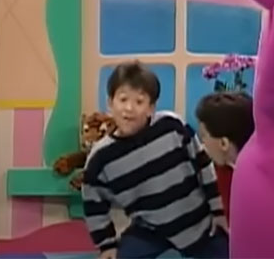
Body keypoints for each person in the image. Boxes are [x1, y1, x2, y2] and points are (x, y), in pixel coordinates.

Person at [81, 60, 228, 259]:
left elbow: (204, 166)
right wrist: (107, 245)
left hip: (198, 221)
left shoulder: (172, 126)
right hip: (149, 230)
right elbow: (93, 203)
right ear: (110, 103)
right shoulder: (101, 158)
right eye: (123, 99)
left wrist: (218, 212)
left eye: (139, 102)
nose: (129, 108)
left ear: (151, 107)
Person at [195, 91, 255, 227]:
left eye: (204, 137)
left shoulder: (257, 185)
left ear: (224, 143)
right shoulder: (216, 170)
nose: (202, 145)